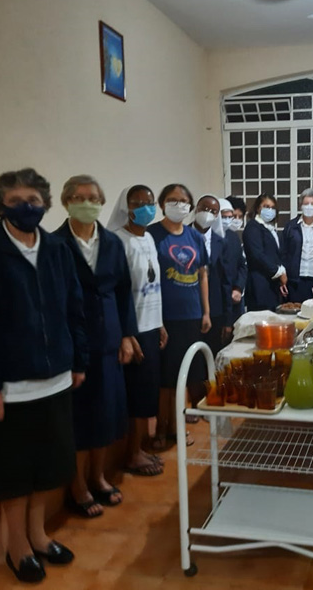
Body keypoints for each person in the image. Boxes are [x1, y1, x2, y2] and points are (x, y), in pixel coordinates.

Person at [0, 168, 86, 583]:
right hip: (8, 388)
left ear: (45, 203)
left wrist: (78, 360)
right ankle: (18, 547)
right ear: (0, 206)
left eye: (33, 200)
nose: (26, 208)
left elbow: (74, 309)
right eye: (15, 202)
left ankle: (39, 535)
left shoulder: (57, 250)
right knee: (15, 472)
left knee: (48, 466)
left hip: (55, 379)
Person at [54, 175, 138, 517]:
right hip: (72, 340)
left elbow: (124, 291)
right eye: (78, 197)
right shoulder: (54, 244)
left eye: (92, 197)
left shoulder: (112, 242)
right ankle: (77, 486)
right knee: (79, 416)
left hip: (109, 337)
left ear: (101, 203)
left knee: (105, 413)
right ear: (66, 202)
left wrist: (127, 335)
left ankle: (99, 477)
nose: (86, 203)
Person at [108, 185, 167, 477]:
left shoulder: (149, 238)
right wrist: (127, 333)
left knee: (147, 393)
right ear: (126, 208)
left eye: (149, 202)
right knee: (136, 395)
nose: (145, 207)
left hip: (151, 325)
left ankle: (139, 449)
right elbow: (117, 292)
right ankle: (131, 454)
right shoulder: (118, 241)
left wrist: (160, 323)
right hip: (134, 331)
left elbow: (153, 285)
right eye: (138, 203)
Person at [147, 183, 210, 448]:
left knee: (183, 376)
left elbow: (202, 274)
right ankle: (161, 428)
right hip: (164, 317)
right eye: (172, 200)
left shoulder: (194, 236)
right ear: (162, 204)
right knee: (165, 378)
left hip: (191, 315)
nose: (179, 204)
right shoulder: (152, 235)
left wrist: (206, 311)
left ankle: (177, 426)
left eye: (184, 201)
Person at [193, 194, 231, 356]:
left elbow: (226, 281)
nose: (208, 213)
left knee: (212, 355)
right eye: (204, 209)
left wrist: (228, 320)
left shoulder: (221, 242)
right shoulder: (183, 236)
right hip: (189, 308)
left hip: (215, 309)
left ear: (217, 216)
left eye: (213, 211)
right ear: (196, 209)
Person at [243, 193, 287, 310]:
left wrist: (282, 272)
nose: (270, 210)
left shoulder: (270, 228)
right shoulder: (253, 227)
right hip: (259, 284)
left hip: (272, 284)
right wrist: (278, 272)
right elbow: (257, 255)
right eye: (266, 206)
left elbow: (274, 254)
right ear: (258, 208)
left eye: (273, 207)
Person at [219, 198, 247, 336]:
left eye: (231, 217)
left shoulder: (233, 237)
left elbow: (242, 265)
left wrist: (238, 287)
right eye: (224, 217)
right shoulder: (203, 236)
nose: (232, 220)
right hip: (218, 300)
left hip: (235, 297)